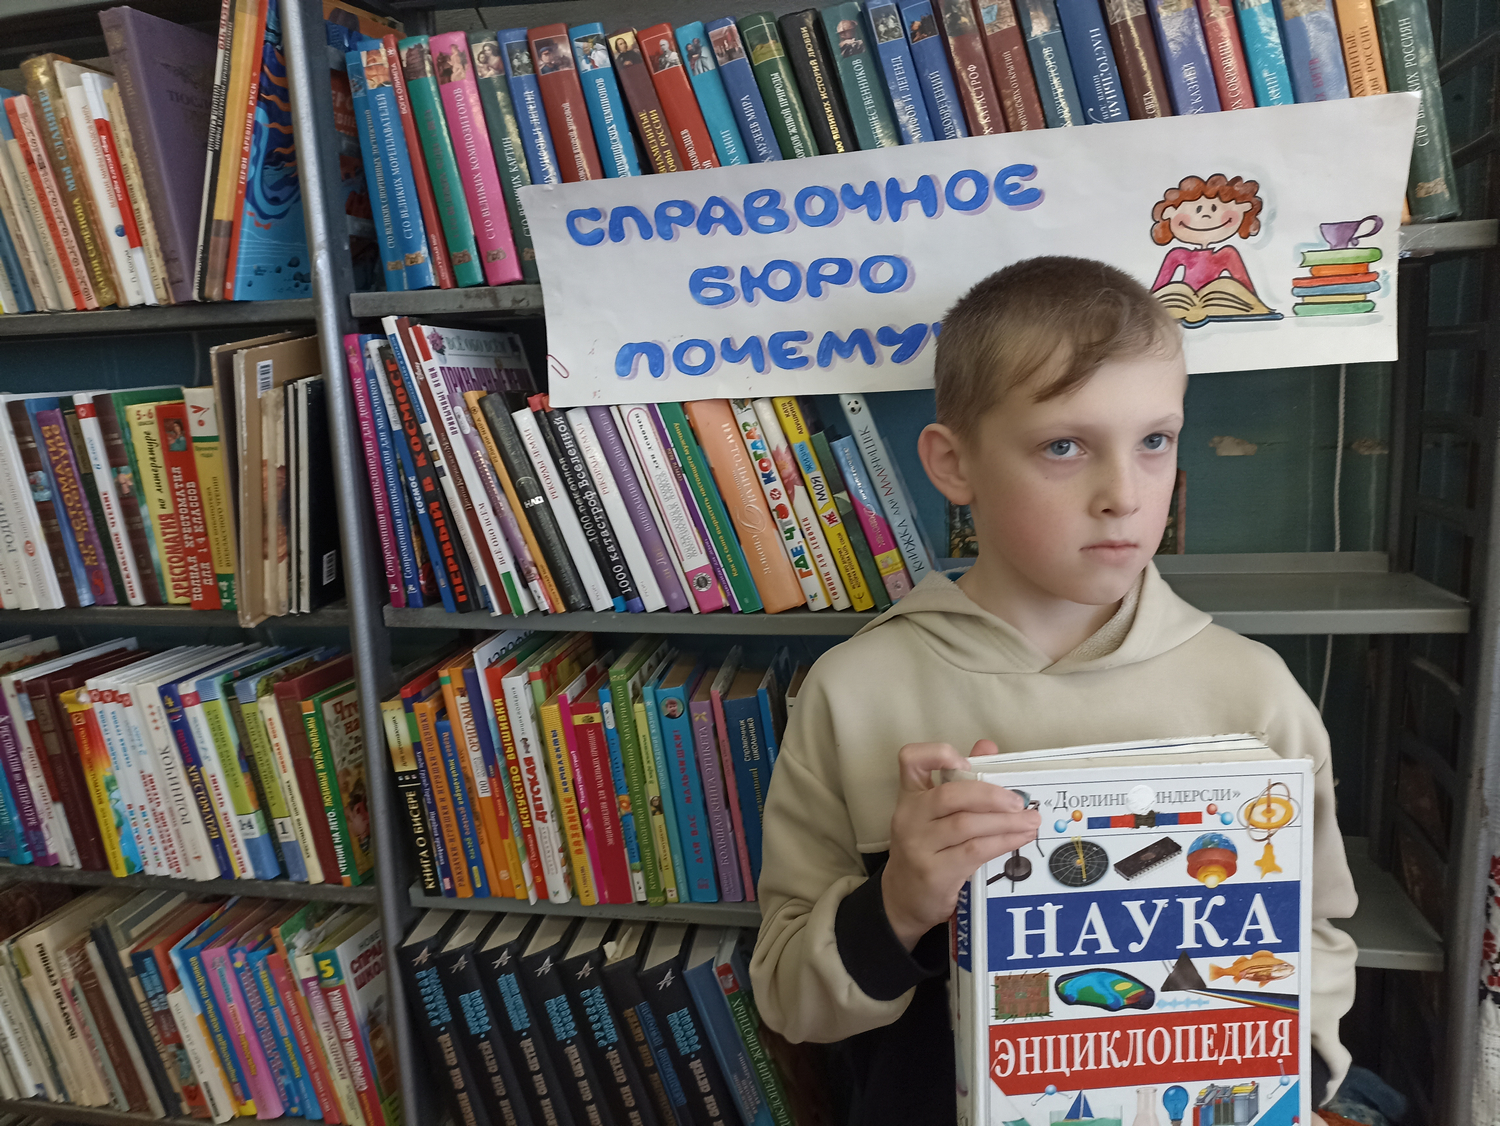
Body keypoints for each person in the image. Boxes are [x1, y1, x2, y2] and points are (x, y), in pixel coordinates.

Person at [750, 256, 1359, 1126]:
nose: (1124, 496)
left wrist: (1300, 1066)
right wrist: (898, 905)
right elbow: (788, 998)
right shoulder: (852, 694)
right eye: (1064, 447)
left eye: (1155, 441)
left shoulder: (1253, 693)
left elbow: (1318, 934)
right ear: (954, 464)